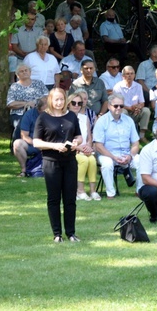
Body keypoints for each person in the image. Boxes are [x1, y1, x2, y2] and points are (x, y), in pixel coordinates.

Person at [33, 88, 83, 242]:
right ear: (50, 100)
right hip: (51, 162)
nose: (59, 102)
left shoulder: (72, 116)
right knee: (54, 199)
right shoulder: (43, 118)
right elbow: (36, 142)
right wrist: (54, 146)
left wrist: (76, 142)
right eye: (56, 100)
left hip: (69, 161)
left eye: (62, 99)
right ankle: (57, 234)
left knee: (70, 199)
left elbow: (79, 136)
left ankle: (71, 233)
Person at [93, 94, 141, 199]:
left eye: (121, 106)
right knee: (107, 163)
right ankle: (111, 193)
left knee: (141, 160)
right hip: (107, 154)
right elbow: (99, 146)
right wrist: (114, 157)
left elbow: (136, 143)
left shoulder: (129, 121)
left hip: (126, 154)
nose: (119, 108)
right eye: (116, 106)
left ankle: (140, 191)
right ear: (109, 106)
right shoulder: (101, 121)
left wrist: (130, 156)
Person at [67, 91, 100, 201]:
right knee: (84, 161)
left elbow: (89, 137)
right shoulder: (65, 118)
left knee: (92, 160)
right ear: (68, 104)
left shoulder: (84, 118)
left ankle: (93, 191)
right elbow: (65, 140)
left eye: (79, 103)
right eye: (74, 103)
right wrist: (78, 148)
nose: (77, 105)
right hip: (71, 150)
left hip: (85, 149)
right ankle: (79, 190)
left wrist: (89, 147)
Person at [112, 66, 150, 143]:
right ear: (123, 76)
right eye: (127, 74)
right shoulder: (117, 87)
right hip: (123, 111)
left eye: (132, 74)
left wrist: (139, 107)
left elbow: (142, 102)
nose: (130, 76)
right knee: (123, 112)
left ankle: (142, 136)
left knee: (146, 110)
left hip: (135, 111)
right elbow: (116, 104)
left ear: (134, 75)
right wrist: (130, 108)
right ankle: (127, 136)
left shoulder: (138, 86)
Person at [6, 63, 48, 129]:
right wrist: (26, 103)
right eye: (21, 71)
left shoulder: (39, 83)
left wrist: (37, 102)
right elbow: (10, 103)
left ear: (30, 72)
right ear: (17, 75)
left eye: (26, 70)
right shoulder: (14, 86)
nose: (24, 72)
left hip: (39, 111)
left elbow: (47, 97)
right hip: (20, 113)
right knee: (22, 126)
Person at [12, 98, 45, 177]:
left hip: (51, 144)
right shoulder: (29, 114)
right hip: (33, 144)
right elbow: (24, 136)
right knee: (17, 144)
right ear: (38, 108)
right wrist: (37, 144)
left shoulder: (54, 114)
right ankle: (24, 170)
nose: (47, 113)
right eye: (44, 111)